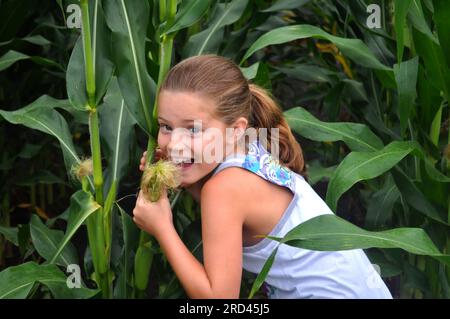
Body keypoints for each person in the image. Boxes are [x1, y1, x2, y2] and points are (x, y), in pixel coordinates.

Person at [132, 54, 393, 299]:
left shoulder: (223, 189)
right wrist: (178, 171)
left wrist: (162, 227)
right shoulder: (248, 150)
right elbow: (232, 212)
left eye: (193, 129)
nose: (175, 143)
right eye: (166, 126)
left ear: (236, 130)